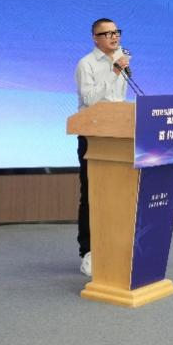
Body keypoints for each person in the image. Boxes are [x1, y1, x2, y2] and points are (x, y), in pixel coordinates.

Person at [74, 17, 132, 278]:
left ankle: (115, 247)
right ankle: (88, 251)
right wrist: (114, 71)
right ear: (95, 38)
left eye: (116, 32)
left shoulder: (120, 59)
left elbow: (118, 99)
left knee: (117, 194)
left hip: (118, 135)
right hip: (93, 135)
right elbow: (89, 99)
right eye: (107, 33)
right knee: (92, 193)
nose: (114, 36)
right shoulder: (86, 64)